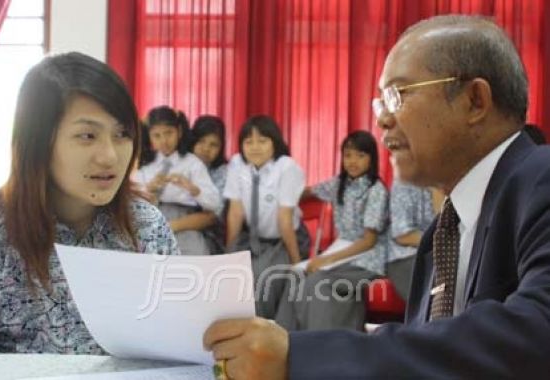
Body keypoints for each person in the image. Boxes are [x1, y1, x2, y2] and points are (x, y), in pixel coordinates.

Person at [203, 14, 550, 378]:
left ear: (475, 101)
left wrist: (300, 357)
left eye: (397, 95)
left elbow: (536, 333)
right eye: (380, 102)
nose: (382, 120)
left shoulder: (539, 179)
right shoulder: (442, 234)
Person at [0, 52, 180, 354]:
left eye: (122, 133)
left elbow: (180, 344)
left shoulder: (147, 226)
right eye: (87, 135)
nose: (110, 156)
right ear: (39, 142)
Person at [275, 130, 389, 331]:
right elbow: (309, 192)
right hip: (341, 249)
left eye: (360, 155)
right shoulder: (339, 184)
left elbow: (369, 241)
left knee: (317, 281)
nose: (353, 161)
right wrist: (287, 195)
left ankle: (318, 342)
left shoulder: (376, 190)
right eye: (348, 155)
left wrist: (326, 260)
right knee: (295, 274)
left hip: (367, 256)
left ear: (372, 159)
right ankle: (285, 342)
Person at [224, 115, 309, 319]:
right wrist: (228, 253)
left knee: (264, 277)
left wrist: (297, 264)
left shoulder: (287, 167)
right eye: (248, 141)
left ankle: (264, 330)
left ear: (275, 142)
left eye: (262, 141)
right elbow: (235, 212)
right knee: (229, 276)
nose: (255, 147)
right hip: (251, 239)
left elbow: (284, 219)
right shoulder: (237, 164)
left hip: (285, 239)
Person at [133, 106, 220, 255]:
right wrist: (148, 190)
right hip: (151, 220)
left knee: (193, 259)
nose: (164, 141)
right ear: (149, 136)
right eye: (157, 135)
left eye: (169, 133)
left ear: (179, 131)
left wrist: (193, 189)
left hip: (186, 222)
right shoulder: (146, 165)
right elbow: (132, 202)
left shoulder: (192, 163)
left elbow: (215, 204)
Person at [190, 115, 229, 253]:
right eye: (201, 141)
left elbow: (211, 217)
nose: (206, 148)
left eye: (213, 145)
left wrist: (171, 226)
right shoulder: (180, 163)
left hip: (209, 236)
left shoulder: (223, 172)